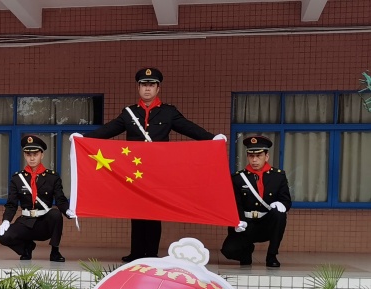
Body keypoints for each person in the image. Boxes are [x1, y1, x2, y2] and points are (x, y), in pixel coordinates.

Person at [83, 67, 226, 262]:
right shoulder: (129, 113)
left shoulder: (168, 112)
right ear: (138, 88)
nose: (147, 88)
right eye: (144, 85)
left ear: (158, 88)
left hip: (157, 171)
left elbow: (188, 127)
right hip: (135, 170)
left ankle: (151, 253)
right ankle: (136, 253)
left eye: (151, 85)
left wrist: (212, 138)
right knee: (136, 210)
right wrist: (83, 138)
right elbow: (109, 129)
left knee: (154, 211)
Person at [0, 135, 76, 262]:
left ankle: (55, 252)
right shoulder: (17, 179)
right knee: (3, 236)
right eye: (28, 154)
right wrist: (6, 220)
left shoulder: (52, 177)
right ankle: (26, 248)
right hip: (26, 221)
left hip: (44, 223)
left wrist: (67, 210)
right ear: (25, 156)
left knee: (56, 214)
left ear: (42, 155)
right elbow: (11, 204)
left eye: (35, 154)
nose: (32, 158)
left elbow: (60, 200)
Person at [221, 135, 291, 268]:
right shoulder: (238, 178)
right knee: (228, 251)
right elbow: (235, 203)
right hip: (246, 224)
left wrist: (281, 204)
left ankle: (272, 255)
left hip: (266, 224)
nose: (254, 160)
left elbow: (286, 201)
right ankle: (246, 252)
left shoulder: (278, 176)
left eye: (258, 156)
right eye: (251, 156)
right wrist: (238, 220)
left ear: (266, 156)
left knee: (280, 214)